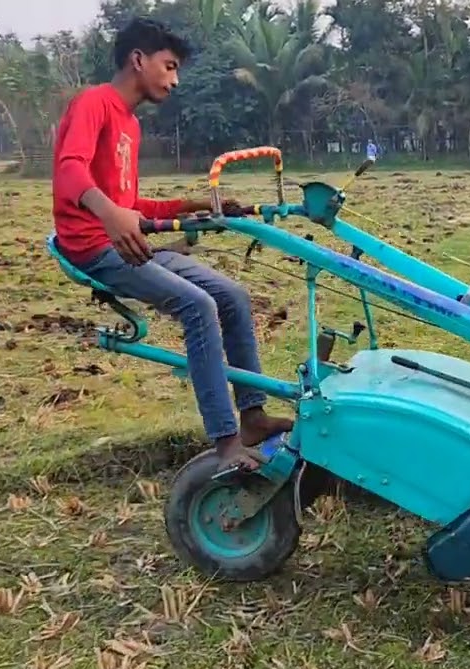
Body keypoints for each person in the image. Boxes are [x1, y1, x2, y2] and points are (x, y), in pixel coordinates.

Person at [50, 17, 292, 470]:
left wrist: (191, 206)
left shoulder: (129, 124)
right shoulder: (93, 104)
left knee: (233, 297)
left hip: (131, 240)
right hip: (96, 247)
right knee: (197, 305)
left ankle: (254, 416)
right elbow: (69, 171)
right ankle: (225, 443)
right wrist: (110, 215)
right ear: (138, 60)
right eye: (170, 66)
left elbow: (129, 202)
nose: (176, 79)